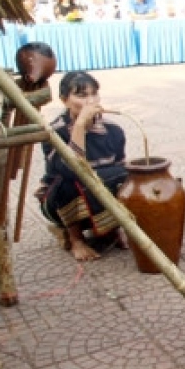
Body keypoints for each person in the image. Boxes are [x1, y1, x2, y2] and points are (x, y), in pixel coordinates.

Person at [36, 70, 129, 262]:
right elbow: (70, 170)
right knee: (71, 180)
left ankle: (110, 231)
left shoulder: (113, 130)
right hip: (60, 201)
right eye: (81, 95)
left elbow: (120, 171)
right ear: (64, 100)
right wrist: (79, 126)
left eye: (94, 94)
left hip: (97, 194)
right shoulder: (54, 132)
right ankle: (75, 238)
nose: (90, 101)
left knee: (126, 177)